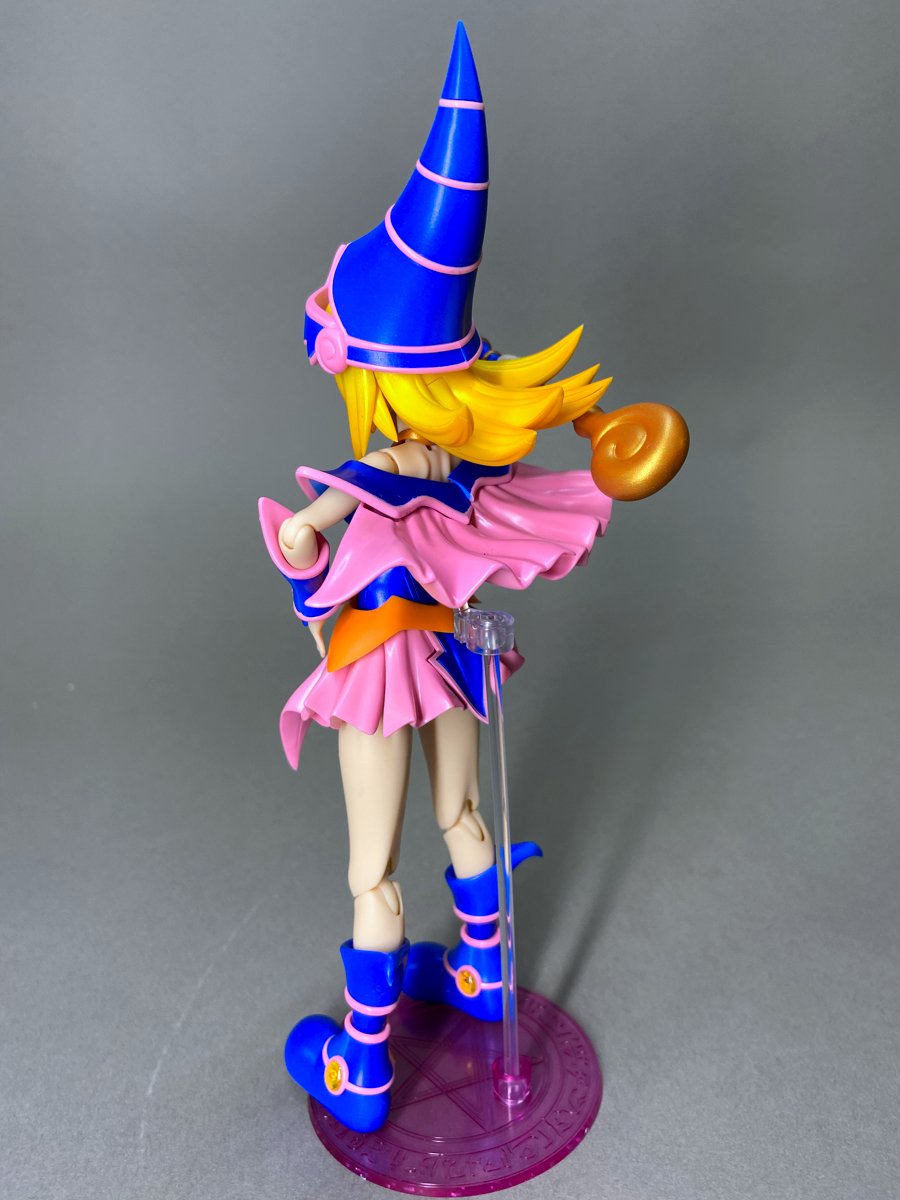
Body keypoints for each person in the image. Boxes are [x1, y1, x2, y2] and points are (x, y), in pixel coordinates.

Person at [259, 23, 687, 1133]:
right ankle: (481, 973)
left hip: (376, 673)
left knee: (372, 873)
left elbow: (320, 520)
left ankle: (361, 1069)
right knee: (460, 813)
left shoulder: (381, 466)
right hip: (451, 660)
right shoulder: (464, 468)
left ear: (372, 373)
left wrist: (303, 537)